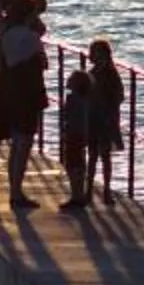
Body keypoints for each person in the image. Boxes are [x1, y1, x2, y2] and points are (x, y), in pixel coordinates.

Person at [0, 0, 48, 207]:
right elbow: (43, 62)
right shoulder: (27, 35)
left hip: (1, 87)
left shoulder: (4, 29)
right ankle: (14, 192)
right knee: (20, 141)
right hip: (21, 92)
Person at [73, 37, 125, 210]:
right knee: (93, 154)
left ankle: (106, 190)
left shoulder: (110, 73)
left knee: (104, 154)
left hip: (106, 117)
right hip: (95, 116)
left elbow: (119, 96)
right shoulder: (93, 72)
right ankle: (90, 190)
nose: (91, 56)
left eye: (94, 53)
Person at [57, 59, 96, 210]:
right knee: (79, 163)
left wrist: (64, 131)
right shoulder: (86, 100)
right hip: (82, 134)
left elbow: (68, 117)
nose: (68, 81)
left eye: (71, 79)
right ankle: (79, 194)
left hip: (73, 134)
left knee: (72, 164)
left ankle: (76, 195)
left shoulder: (72, 99)